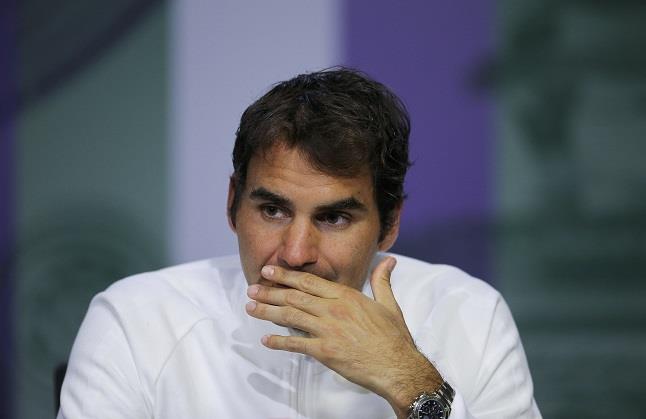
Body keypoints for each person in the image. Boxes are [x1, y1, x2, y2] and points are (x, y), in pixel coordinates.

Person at [58, 68, 541, 419]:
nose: (295, 253)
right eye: (272, 210)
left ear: (390, 223)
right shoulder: (137, 320)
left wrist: (410, 381)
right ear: (232, 204)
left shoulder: (468, 315)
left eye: (333, 218)